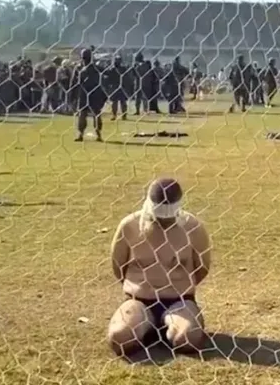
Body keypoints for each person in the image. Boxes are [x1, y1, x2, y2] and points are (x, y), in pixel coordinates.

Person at [107, 178, 211, 357]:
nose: (163, 223)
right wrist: (138, 288)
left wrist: (178, 286)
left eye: (167, 219)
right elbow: (118, 265)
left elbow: (202, 268)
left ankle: (173, 325)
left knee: (187, 339)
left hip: (179, 301)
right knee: (119, 338)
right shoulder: (129, 226)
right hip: (138, 301)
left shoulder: (193, 228)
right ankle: (145, 325)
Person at [70, 48, 106, 142]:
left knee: (90, 114)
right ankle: (89, 134)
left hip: (89, 94)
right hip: (89, 94)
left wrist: (72, 96)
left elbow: (73, 83)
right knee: (90, 114)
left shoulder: (80, 68)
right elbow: (73, 83)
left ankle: (91, 134)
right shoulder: (94, 68)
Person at [107, 55, 133, 120]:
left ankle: (123, 116)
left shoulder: (123, 69)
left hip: (121, 87)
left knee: (122, 102)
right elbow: (109, 78)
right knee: (115, 102)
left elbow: (127, 78)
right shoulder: (112, 69)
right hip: (115, 87)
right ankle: (115, 115)